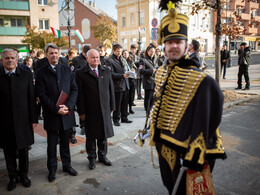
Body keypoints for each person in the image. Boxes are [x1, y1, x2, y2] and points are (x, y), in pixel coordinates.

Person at [149, 1, 227, 194]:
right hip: (164, 146)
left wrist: (195, 155)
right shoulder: (160, 73)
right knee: (170, 187)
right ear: (163, 45)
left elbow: (207, 123)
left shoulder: (204, 81)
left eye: (178, 42)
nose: (174, 46)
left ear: (186, 45)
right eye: (169, 42)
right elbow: (158, 103)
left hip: (188, 155)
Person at [35, 43, 78, 182]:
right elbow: (41, 94)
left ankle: (67, 165)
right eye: (51, 53)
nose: (54, 55)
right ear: (47, 55)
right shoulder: (41, 72)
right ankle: (52, 169)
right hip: (51, 114)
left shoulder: (66, 69)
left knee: (65, 143)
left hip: (66, 113)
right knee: (52, 144)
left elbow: (74, 89)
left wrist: (68, 106)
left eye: (56, 52)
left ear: (59, 54)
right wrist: (55, 109)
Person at [0, 48, 38, 191]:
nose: (10, 60)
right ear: (2, 60)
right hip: (4, 120)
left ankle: (24, 175)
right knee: (8, 150)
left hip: (23, 119)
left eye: (12, 58)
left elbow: (31, 97)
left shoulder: (26, 73)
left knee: (23, 149)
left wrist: (33, 119)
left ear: (17, 60)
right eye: (7, 58)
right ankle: (12, 177)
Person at [75, 49, 115, 170]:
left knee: (103, 135)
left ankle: (103, 156)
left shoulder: (106, 70)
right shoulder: (81, 73)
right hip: (89, 110)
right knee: (91, 136)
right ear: (87, 59)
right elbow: (79, 94)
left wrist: (112, 106)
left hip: (104, 109)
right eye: (93, 58)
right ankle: (91, 158)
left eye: (97, 57)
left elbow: (110, 89)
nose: (96, 59)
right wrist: (81, 112)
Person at [106, 44, 132, 126]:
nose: (119, 53)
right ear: (113, 51)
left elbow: (126, 69)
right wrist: (122, 76)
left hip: (125, 84)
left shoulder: (122, 59)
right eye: (117, 51)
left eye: (120, 51)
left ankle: (124, 117)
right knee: (117, 103)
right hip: (117, 85)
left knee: (125, 102)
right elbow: (111, 74)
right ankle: (116, 119)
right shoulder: (109, 60)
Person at [71, 45, 91, 135]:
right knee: (82, 106)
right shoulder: (76, 60)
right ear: (83, 52)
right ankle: (82, 125)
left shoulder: (90, 58)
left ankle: (89, 124)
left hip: (90, 86)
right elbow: (74, 71)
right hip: (81, 86)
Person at [64, 48, 78, 144]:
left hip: (72, 89)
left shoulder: (75, 61)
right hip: (64, 91)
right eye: (75, 54)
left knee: (71, 113)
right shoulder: (64, 61)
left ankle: (72, 134)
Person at [139, 43, 157, 112]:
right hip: (148, 81)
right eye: (151, 51)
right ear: (147, 51)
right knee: (147, 97)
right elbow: (141, 70)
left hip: (154, 81)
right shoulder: (143, 60)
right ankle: (147, 110)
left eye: (153, 52)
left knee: (153, 97)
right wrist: (151, 71)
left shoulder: (155, 59)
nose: (152, 53)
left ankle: (150, 108)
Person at [122, 49, 136, 114]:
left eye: (126, 53)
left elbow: (135, 67)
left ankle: (130, 108)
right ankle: (125, 110)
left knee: (131, 96)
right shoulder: (122, 61)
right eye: (124, 53)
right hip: (125, 80)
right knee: (126, 96)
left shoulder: (131, 61)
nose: (126, 55)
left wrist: (134, 70)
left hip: (131, 80)